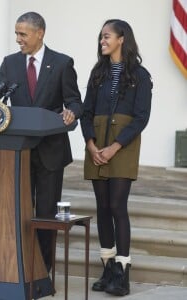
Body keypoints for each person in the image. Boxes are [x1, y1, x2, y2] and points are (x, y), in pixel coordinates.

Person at [0, 11, 82, 272]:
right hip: (17, 152)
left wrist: (71, 112)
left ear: (40, 33)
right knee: (21, 213)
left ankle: (43, 271)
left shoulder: (61, 63)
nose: (18, 39)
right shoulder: (11, 63)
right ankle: (21, 268)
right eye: (16, 33)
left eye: (22, 34)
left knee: (46, 215)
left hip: (50, 152)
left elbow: (74, 102)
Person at [80, 19, 152, 296]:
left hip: (123, 147)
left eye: (107, 36)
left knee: (116, 205)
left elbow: (141, 118)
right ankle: (107, 267)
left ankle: (122, 272)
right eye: (101, 37)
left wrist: (115, 146)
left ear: (122, 38)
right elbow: (86, 112)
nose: (102, 41)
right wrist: (91, 144)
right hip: (96, 146)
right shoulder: (98, 73)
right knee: (102, 207)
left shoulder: (140, 75)